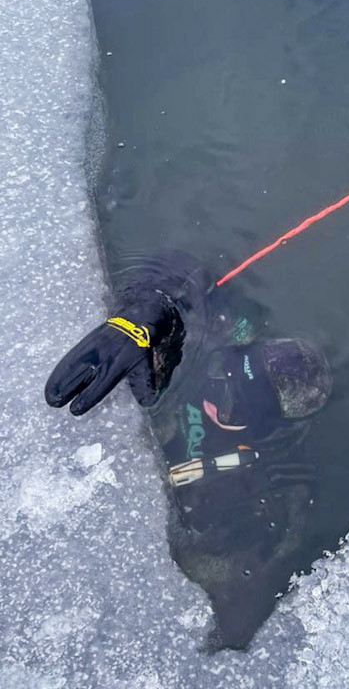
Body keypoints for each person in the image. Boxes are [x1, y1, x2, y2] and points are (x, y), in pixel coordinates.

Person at [44, 252, 333, 648]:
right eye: (226, 371)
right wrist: (151, 311)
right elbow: (188, 270)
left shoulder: (273, 489)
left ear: (265, 429)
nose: (216, 392)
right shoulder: (223, 335)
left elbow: (237, 585)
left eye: (235, 403)